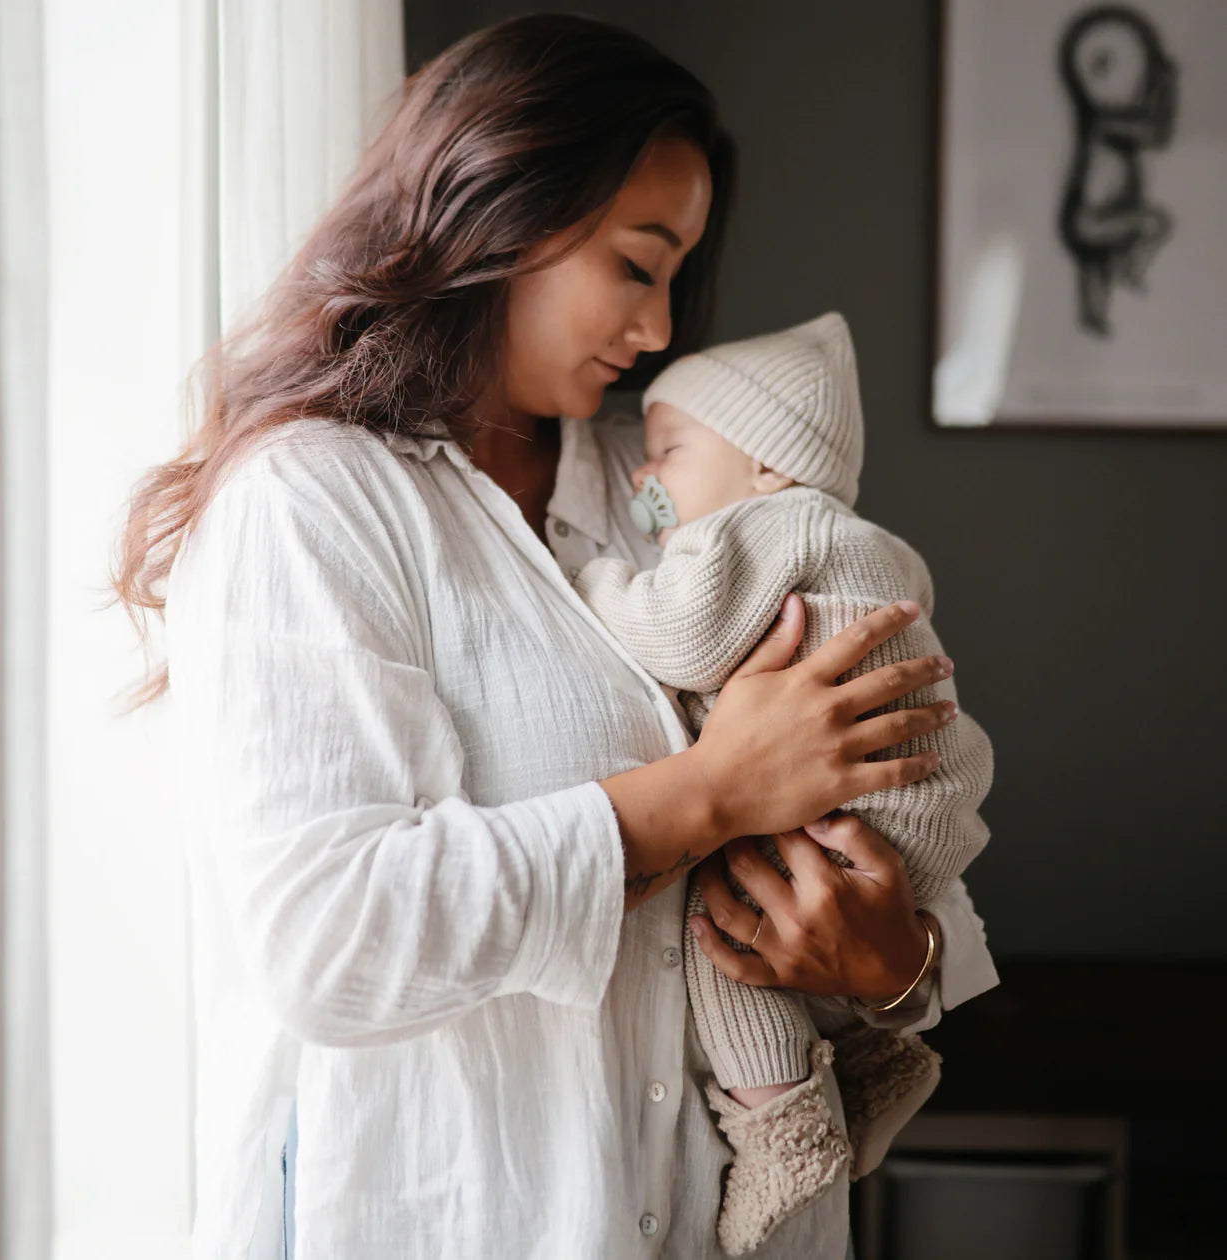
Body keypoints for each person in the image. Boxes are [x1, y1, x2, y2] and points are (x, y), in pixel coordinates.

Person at [113, 15, 998, 1259]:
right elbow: (331, 941)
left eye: (678, 277)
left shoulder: (678, 485)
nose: (660, 329)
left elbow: (880, 805)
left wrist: (896, 962)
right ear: (499, 211)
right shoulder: (312, 503)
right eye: (637, 267)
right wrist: (712, 791)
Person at [573, 311, 994, 1254]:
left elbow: (680, 636)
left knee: (718, 941)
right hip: (912, 815)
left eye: (670, 450)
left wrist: (595, 583)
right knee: (777, 941)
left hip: (852, 810)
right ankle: (874, 1063)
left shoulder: (761, 527)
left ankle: (784, 1130)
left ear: (765, 465)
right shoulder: (860, 539)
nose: (645, 476)